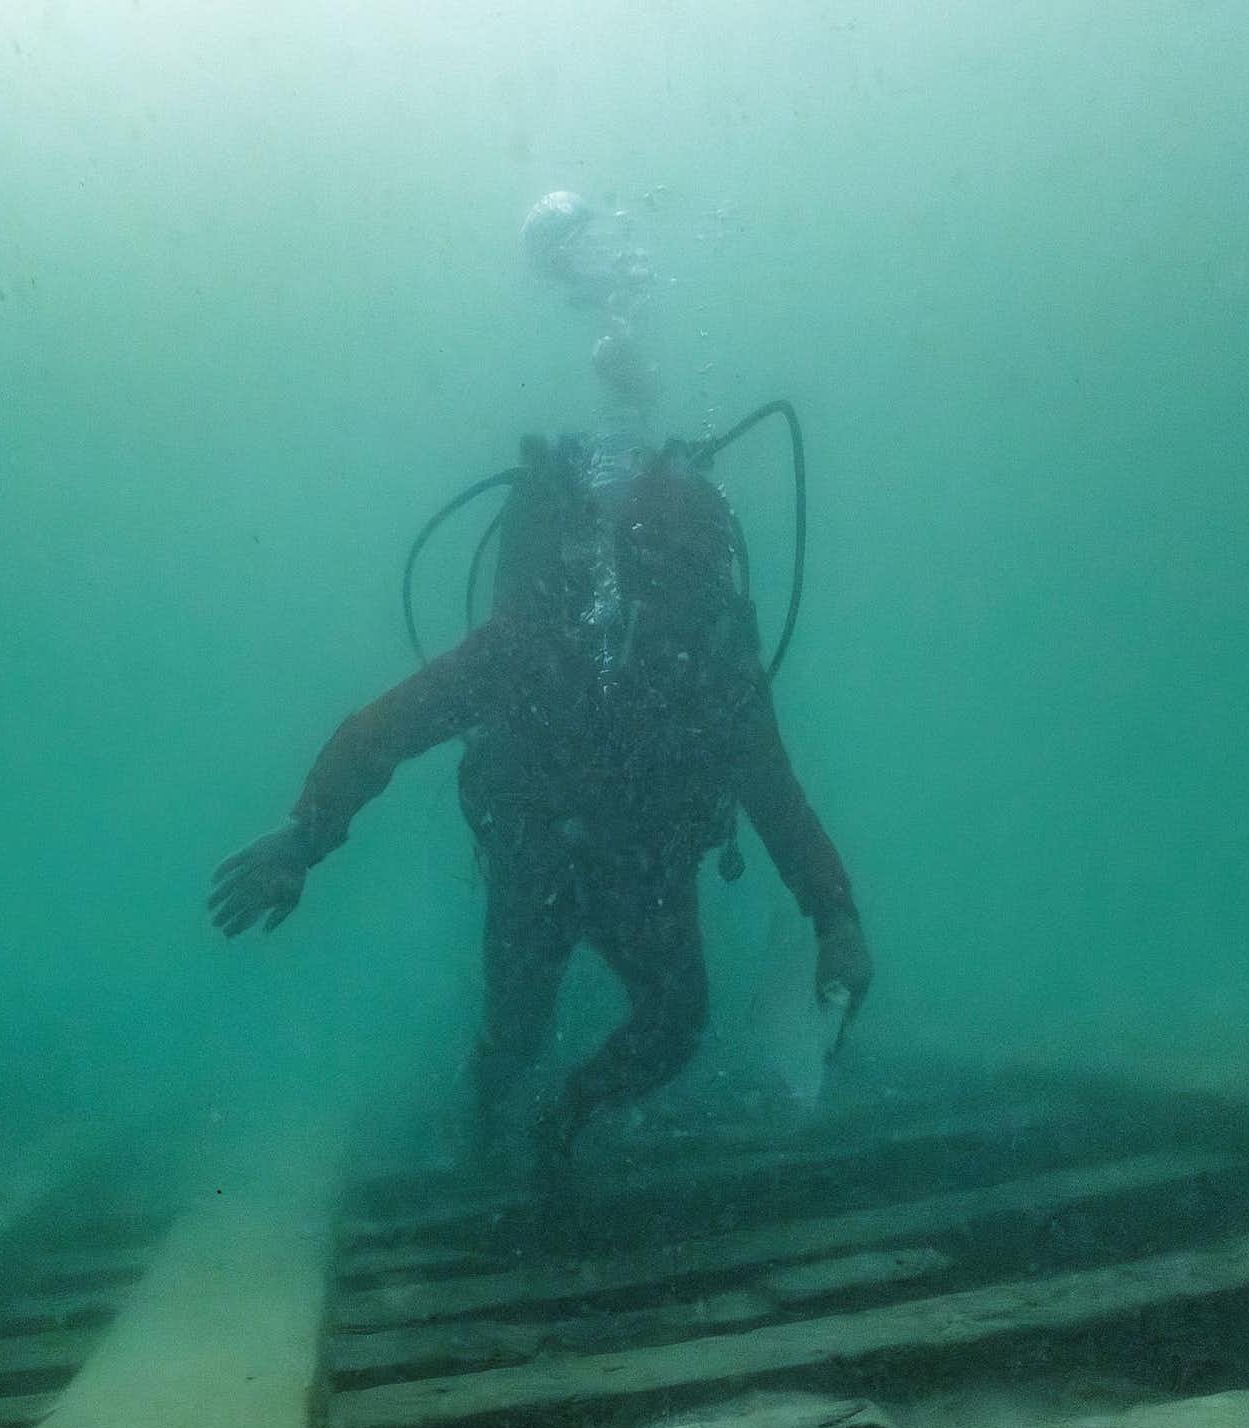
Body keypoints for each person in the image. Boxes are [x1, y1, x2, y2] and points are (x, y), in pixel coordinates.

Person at [209, 432, 872, 1182]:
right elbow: (383, 732)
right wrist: (304, 836)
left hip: (638, 867)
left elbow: (774, 794)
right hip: (539, 857)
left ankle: (559, 1124)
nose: (681, 610)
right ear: (623, 566)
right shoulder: (533, 641)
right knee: (517, 1032)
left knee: (674, 1022)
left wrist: (836, 917)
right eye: (670, 579)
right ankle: (487, 1121)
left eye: (699, 582)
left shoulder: (719, 666)